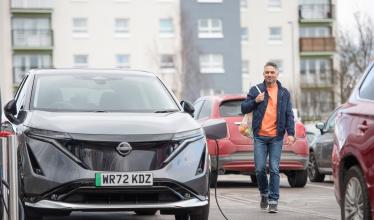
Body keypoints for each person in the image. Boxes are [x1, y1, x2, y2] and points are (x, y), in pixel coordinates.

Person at [241, 61, 295, 213]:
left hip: (276, 137)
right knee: (259, 169)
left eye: (272, 72)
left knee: (274, 168)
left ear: (277, 74)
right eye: (267, 72)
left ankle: (273, 200)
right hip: (260, 136)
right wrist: (254, 101)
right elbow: (243, 108)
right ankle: (264, 193)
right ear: (263, 74)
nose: (269, 75)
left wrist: (291, 133)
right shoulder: (255, 90)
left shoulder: (284, 93)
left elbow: (289, 114)